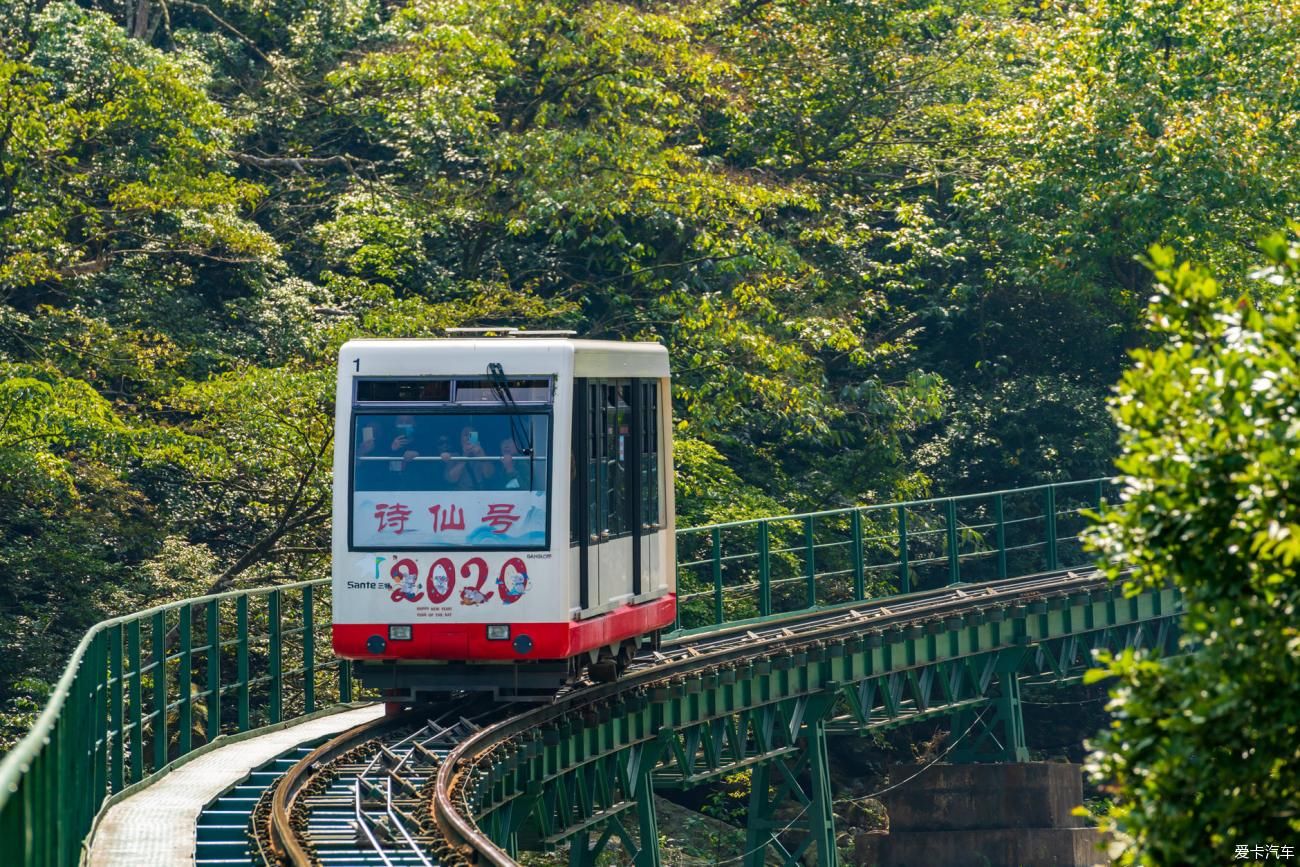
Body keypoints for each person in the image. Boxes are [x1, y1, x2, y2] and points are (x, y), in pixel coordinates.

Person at [441, 425, 496, 490]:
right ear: (460, 440)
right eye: (465, 434)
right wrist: (464, 457)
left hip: (480, 494)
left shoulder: (483, 454)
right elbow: (451, 479)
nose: (468, 438)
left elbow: (489, 475)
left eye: (472, 435)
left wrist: (481, 455)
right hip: (461, 494)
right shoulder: (454, 456)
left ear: (476, 439)